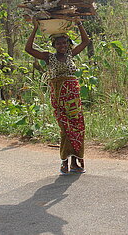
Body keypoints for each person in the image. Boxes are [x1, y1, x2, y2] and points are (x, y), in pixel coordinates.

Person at [25, 18, 90, 175]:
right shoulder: (49, 57)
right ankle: (64, 161)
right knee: (65, 128)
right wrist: (34, 28)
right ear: (53, 45)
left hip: (73, 98)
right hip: (59, 98)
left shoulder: (70, 54)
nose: (62, 46)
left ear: (68, 44)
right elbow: (28, 48)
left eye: (65, 43)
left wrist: (79, 23)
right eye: (59, 43)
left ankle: (75, 161)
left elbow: (86, 41)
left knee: (78, 127)